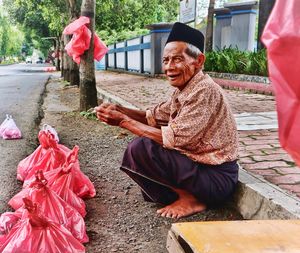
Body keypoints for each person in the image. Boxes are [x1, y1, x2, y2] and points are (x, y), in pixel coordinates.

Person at [95, 22, 239, 219]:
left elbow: (174, 138)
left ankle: (192, 199)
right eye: (166, 60)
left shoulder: (204, 90)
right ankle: (184, 194)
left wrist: (122, 121)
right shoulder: (185, 89)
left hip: (216, 178)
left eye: (177, 59)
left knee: (142, 147)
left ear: (199, 61)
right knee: (142, 147)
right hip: (199, 171)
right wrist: (119, 109)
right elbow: (152, 115)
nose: (169, 67)